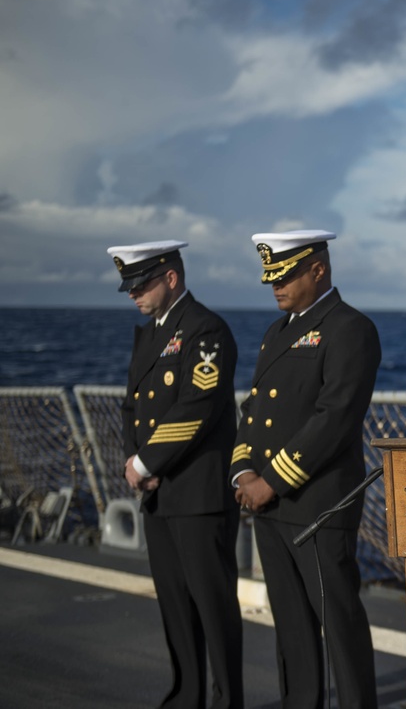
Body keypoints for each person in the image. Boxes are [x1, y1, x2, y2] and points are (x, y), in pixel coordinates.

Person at [231, 230, 380, 709]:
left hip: (317, 504)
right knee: (291, 628)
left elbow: (334, 416)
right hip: (272, 507)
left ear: (318, 269)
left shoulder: (349, 328)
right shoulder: (278, 332)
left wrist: (270, 481)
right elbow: (252, 411)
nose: (276, 286)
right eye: (271, 277)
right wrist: (243, 474)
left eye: (287, 275)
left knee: (338, 625)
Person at [107, 240, 243, 709]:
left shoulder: (206, 331)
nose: (132, 295)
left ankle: (227, 700)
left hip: (198, 496)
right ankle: (186, 697)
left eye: (140, 284)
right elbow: (132, 408)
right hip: (159, 496)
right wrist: (134, 465)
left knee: (213, 608)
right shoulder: (148, 335)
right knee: (176, 610)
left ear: (171, 278)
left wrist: (145, 464)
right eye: (129, 286)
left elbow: (196, 408)